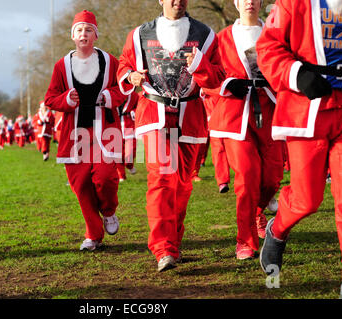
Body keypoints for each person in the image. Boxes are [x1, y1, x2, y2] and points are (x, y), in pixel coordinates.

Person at [118, 0, 224, 271]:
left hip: (190, 116)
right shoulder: (140, 33)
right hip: (154, 113)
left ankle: (172, 244)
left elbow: (218, 77)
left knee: (182, 184)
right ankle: (162, 248)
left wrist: (200, 64)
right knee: (161, 180)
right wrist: (131, 76)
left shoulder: (206, 34)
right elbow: (124, 65)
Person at [257, 0, 342, 298]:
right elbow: (267, 48)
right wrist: (297, 74)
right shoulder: (294, 3)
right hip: (307, 109)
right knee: (307, 200)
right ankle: (278, 229)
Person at [203, 0, 284, 259]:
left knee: (272, 178)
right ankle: (245, 241)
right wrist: (228, 84)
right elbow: (207, 76)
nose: (250, 1)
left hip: (271, 111)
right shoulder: (220, 38)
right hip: (235, 116)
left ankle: (258, 213)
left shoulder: (276, 32)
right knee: (247, 178)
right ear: (236, 3)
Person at [45, 10, 127, 251]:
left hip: (105, 132)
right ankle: (93, 234)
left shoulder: (111, 61)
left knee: (106, 178)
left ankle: (109, 210)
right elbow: (50, 99)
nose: (84, 34)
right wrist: (66, 100)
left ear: (96, 35)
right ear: (73, 36)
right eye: (79, 30)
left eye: (88, 30)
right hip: (74, 136)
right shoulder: (62, 65)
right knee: (80, 185)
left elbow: (123, 90)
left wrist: (108, 96)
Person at [116, 91, 139, 182]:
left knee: (129, 153)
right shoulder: (113, 93)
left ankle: (129, 165)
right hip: (115, 127)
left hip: (129, 126)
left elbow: (139, 107)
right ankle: (121, 175)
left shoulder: (134, 95)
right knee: (118, 154)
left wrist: (134, 111)